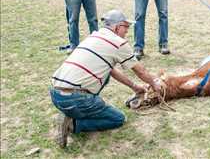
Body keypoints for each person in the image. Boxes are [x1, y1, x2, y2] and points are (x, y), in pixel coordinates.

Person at [49, 9, 162, 148]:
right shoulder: (118, 43)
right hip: (75, 99)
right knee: (118, 119)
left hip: (55, 94)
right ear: (117, 27)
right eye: (125, 26)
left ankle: (74, 111)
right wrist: (153, 84)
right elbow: (141, 71)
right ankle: (73, 124)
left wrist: (135, 87)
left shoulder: (94, 36)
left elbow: (111, 71)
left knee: (105, 73)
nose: (127, 31)